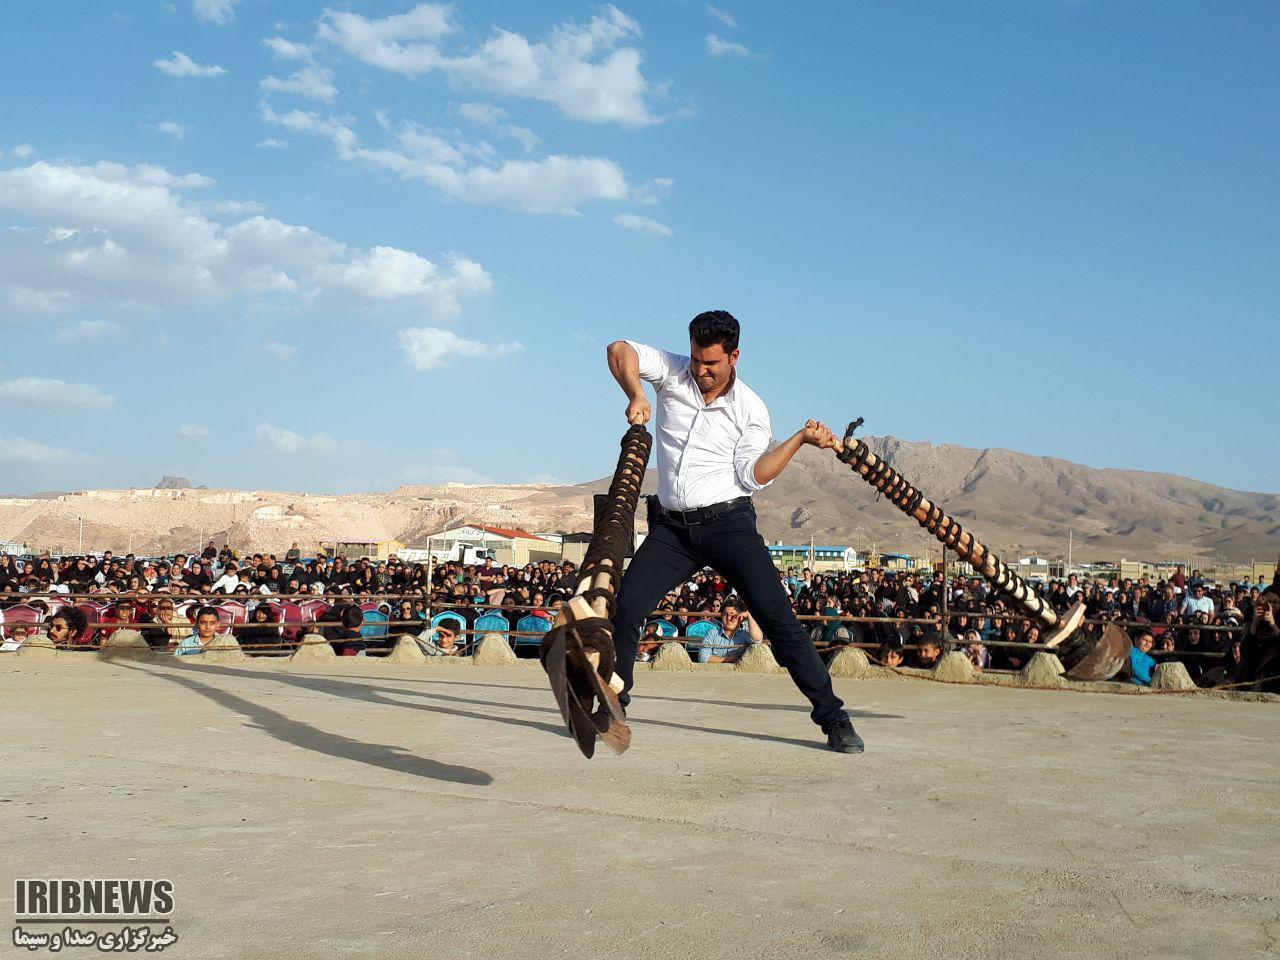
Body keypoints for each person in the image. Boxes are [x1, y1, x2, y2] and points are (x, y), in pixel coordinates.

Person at [606, 311, 863, 753]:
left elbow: (753, 475)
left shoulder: (751, 408)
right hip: (673, 529)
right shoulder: (673, 372)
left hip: (729, 525)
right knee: (627, 607)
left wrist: (800, 439)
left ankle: (834, 718)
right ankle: (614, 705)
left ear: (734, 357)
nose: (701, 370)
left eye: (711, 363)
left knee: (779, 621)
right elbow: (618, 349)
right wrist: (637, 393)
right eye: (696, 359)